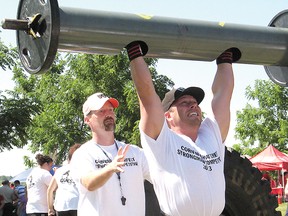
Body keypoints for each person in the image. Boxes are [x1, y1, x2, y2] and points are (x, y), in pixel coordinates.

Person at [125, 41, 240, 216]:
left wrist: (225, 60)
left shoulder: (210, 136)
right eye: (184, 103)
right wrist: (135, 53)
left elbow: (224, 95)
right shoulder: (161, 140)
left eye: (195, 103)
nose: (193, 106)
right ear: (167, 115)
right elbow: (147, 94)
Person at [70, 92, 151, 216]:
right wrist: (110, 168)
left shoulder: (134, 152)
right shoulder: (82, 154)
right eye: (101, 111)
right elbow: (89, 184)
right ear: (87, 120)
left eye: (111, 110)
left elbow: (161, 176)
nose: (108, 114)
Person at [47, 144, 81, 216]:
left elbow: (50, 190)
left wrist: (50, 209)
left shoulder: (59, 171)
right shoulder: (83, 169)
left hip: (61, 205)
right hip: (77, 204)